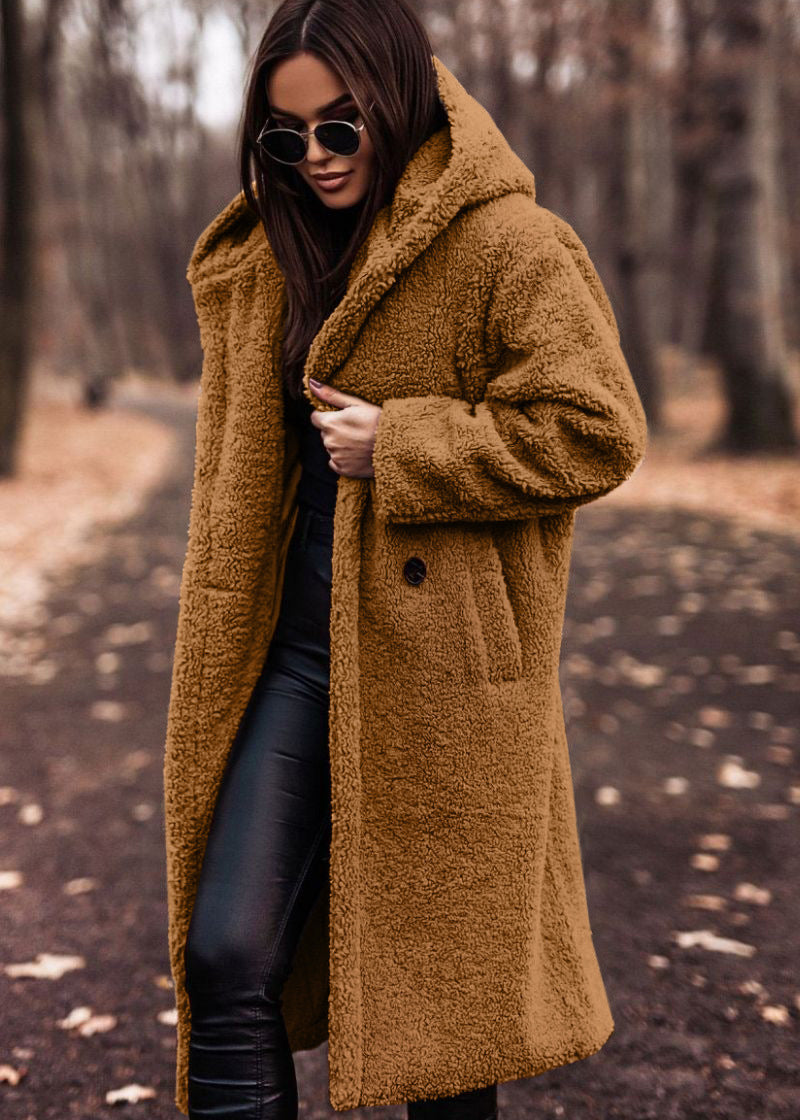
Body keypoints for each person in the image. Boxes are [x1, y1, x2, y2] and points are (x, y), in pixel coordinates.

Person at [164, 1, 648, 1117]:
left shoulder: (507, 244)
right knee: (228, 955)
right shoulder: (261, 259)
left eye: (342, 127)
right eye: (286, 138)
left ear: (398, 99)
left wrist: (410, 442)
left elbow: (598, 427)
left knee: (448, 1022)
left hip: (444, 677)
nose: (317, 158)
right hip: (288, 657)